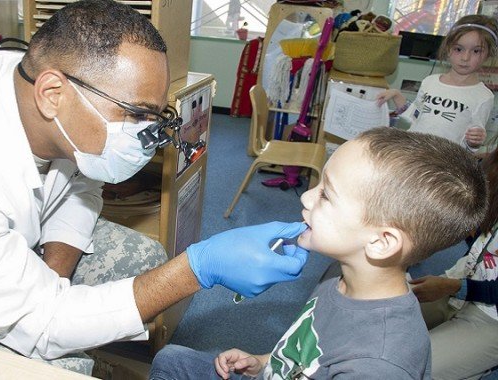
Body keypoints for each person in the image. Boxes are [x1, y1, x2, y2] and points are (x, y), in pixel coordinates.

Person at [0, 0, 310, 373]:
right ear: (53, 94)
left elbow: (83, 183)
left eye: (152, 116)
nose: (144, 133)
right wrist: (196, 268)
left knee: (145, 260)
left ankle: (95, 345)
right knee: (61, 363)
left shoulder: (36, 91)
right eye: (136, 113)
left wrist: (53, 278)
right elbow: (38, 321)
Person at [149, 127, 488, 379]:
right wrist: (264, 362)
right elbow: (310, 351)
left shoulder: (379, 364)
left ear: (382, 242)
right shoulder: (341, 273)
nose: (307, 198)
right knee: (171, 359)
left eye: (327, 195)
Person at [409, 144, 498, 379]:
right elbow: (479, 246)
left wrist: (455, 288)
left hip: (491, 317)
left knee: (414, 368)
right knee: (381, 320)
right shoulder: (491, 174)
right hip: (465, 280)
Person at [376, 14, 498, 151]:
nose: (465, 57)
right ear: (448, 49)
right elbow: (414, 117)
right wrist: (396, 95)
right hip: (411, 154)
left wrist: (474, 142)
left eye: (476, 51)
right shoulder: (430, 81)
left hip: (442, 163)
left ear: (489, 54)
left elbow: (470, 147)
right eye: (459, 49)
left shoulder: (483, 96)